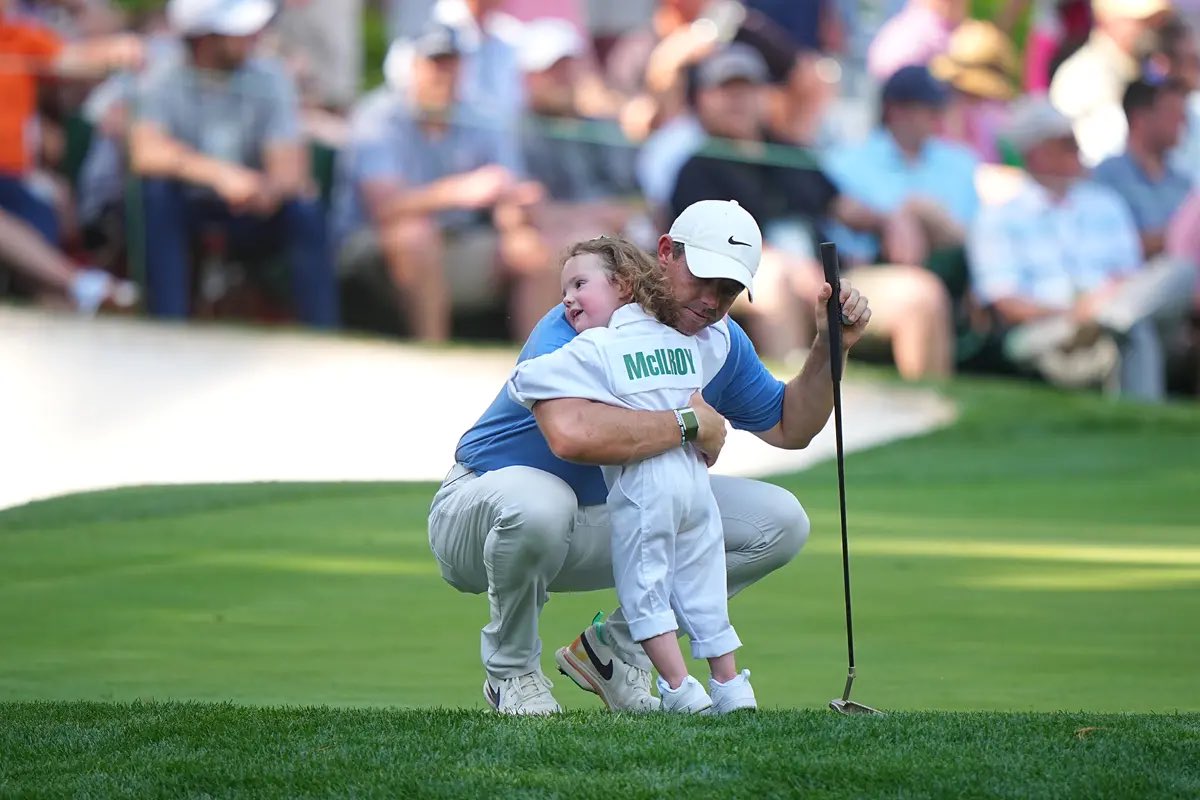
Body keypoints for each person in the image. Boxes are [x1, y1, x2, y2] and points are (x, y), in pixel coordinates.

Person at [429, 199, 873, 715]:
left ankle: (613, 651)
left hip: (601, 521)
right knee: (541, 502)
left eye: (728, 290)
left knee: (781, 522)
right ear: (666, 253)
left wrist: (828, 346)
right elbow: (570, 435)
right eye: (702, 279)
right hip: (480, 516)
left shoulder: (717, 339)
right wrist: (688, 425)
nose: (711, 301)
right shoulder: (585, 315)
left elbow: (790, 426)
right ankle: (512, 673)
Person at [507, 235, 756, 714]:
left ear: (622, 285)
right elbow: (712, 363)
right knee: (703, 585)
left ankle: (681, 688)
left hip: (646, 489)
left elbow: (526, 380)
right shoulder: (691, 340)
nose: (567, 299)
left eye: (580, 284)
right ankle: (731, 686)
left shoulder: (600, 346)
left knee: (648, 590)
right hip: (695, 489)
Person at [671, 45, 954, 378]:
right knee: (775, 281)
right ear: (702, 99)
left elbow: (842, 206)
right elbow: (711, 250)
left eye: (747, 89)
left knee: (922, 293)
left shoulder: (790, 153)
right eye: (726, 90)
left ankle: (933, 417)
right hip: (753, 281)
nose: (739, 100)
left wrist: (891, 220)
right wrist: (796, 268)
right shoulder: (694, 168)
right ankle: (788, 412)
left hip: (826, 277)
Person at [332, 22, 557, 341]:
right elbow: (383, 208)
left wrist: (516, 207)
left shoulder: (478, 117)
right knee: (416, 236)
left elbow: (509, 193)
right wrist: (458, 192)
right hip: (372, 246)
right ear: (410, 67)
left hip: (459, 240)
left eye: (451, 63)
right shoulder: (378, 117)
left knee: (532, 251)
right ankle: (433, 352)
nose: (443, 73)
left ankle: (535, 373)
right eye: (434, 63)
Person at [968, 96, 1196, 401]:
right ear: (1037, 153)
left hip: (1114, 312)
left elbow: (1132, 276)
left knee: (1179, 273)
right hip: (1049, 328)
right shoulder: (998, 216)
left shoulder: (1105, 204)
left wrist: (1104, 305)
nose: (1077, 151)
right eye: (1067, 144)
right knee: (1133, 331)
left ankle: (1110, 319)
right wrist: (1077, 311)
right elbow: (1005, 301)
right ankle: (1112, 325)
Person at [129, 0, 338, 328]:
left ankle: (322, 332)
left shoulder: (270, 75)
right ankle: (167, 324)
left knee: (304, 211)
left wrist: (267, 190)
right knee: (157, 193)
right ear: (204, 36)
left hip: (250, 208)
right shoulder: (164, 75)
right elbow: (146, 152)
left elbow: (290, 170)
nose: (253, 36)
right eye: (238, 31)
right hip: (187, 203)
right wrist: (221, 176)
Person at [1093, 77, 1192, 260]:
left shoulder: (1183, 182)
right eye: (1172, 113)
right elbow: (1105, 245)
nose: (1182, 122)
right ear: (1140, 118)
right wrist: (1183, 237)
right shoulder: (1105, 178)